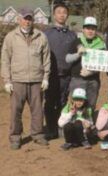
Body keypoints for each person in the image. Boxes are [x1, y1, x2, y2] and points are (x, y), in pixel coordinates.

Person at [1, 8, 50, 149]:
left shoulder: (41, 36)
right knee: (16, 110)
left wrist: (45, 77)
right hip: (17, 80)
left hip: (36, 80)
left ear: (33, 20)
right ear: (19, 19)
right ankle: (15, 137)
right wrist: (7, 80)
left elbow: (46, 59)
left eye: (30, 19)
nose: (27, 22)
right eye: (24, 18)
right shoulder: (11, 37)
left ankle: (38, 134)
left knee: (37, 110)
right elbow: (5, 60)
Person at [44, 3, 78, 139]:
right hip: (51, 75)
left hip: (66, 75)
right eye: (59, 12)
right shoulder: (46, 34)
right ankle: (50, 128)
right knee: (50, 103)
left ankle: (60, 128)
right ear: (54, 15)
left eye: (64, 12)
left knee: (63, 102)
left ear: (67, 15)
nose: (62, 14)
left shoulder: (72, 35)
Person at [66, 17, 105, 110]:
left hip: (93, 81)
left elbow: (104, 64)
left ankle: (88, 123)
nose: (90, 31)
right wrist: (78, 54)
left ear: (96, 30)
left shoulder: (101, 45)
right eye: (88, 28)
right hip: (77, 79)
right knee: (74, 106)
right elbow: (67, 59)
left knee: (90, 106)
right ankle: (73, 124)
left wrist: (92, 72)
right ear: (83, 29)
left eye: (93, 28)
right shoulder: (77, 41)